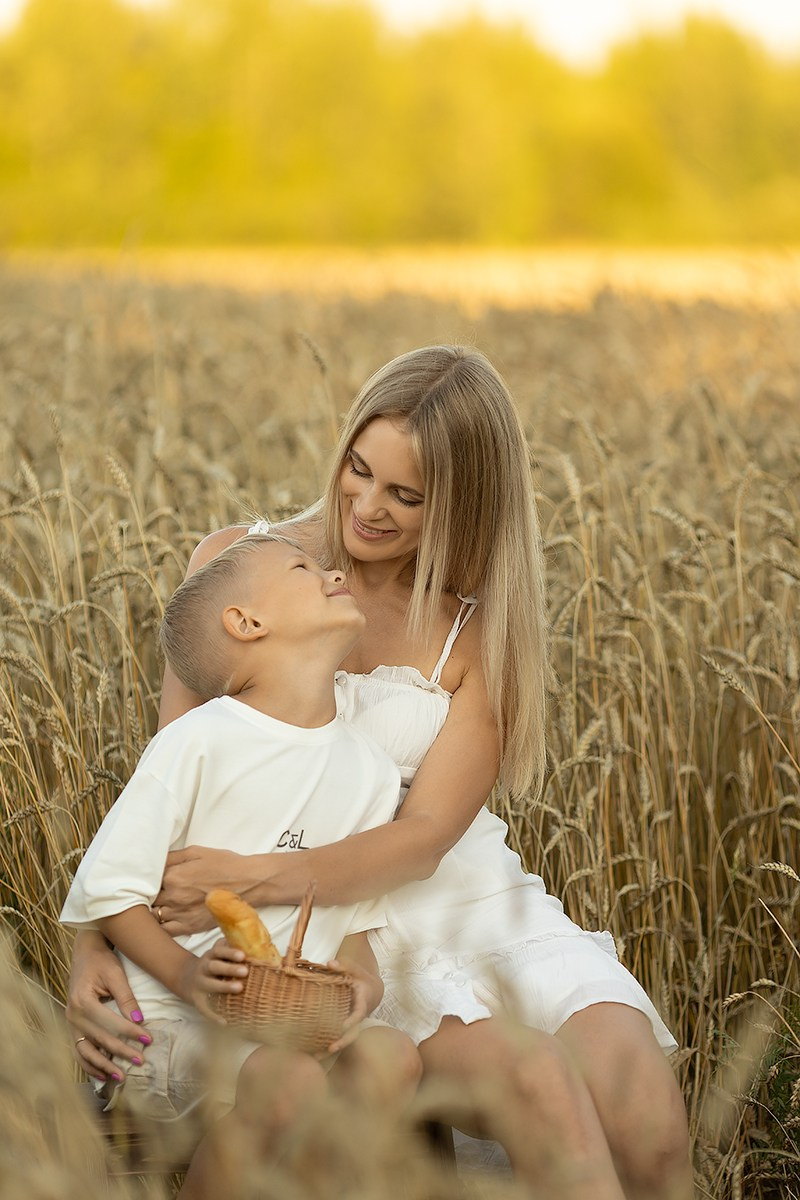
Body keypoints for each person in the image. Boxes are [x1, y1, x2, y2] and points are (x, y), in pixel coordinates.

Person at [67, 346, 693, 1200]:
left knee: (649, 1126)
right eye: (358, 469)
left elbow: (428, 838)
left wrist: (261, 877)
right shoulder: (243, 568)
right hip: (337, 918)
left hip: (449, 888)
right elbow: (172, 785)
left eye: (405, 495)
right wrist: (94, 944)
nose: (365, 506)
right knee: (536, 1079)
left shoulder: (477, 623)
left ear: (461, 504)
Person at [61, 531, 422, 1200]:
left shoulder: (369, 772)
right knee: (289, 1084)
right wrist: (189, 974)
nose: (330, 571)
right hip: (168, 1022)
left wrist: (363, 991)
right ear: (247, 622)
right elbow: (110, 890)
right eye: (302, 567)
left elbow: (358, 922)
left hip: (293, 1029)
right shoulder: (200, 742)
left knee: (392, 1058)